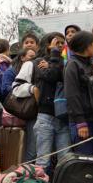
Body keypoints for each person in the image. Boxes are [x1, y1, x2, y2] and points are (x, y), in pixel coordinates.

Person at [31, 33, 69, 172]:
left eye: (62, 43)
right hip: (45, 117)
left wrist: (54, 62)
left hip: (63, 117)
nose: (60, 45)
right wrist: (54, 56)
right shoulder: (39, 61)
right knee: (43, 161)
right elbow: (51, 76)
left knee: (65, 160)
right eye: (56, 42)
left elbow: (62, 75)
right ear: (48, 45)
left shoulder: (65, 61)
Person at [64, 31, 93, 155]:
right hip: (83, 122)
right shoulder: (72, 64)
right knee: (86, 161)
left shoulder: (89, 64)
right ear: (87, 46)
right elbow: (72, 94)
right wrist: (80, 122)